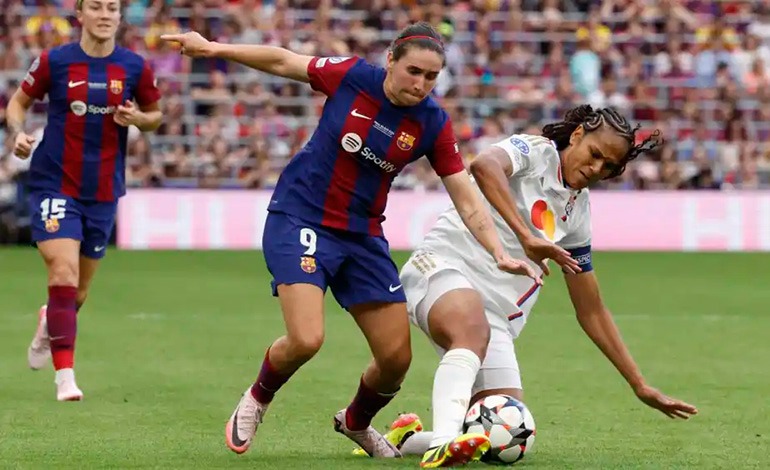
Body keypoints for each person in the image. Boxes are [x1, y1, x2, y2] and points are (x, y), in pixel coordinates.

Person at [161, 22, 560, 460]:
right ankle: (258, 396)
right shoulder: (351, 76)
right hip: (300, 217)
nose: (421, 84)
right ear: (390, 60)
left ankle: (355, 421)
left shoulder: (432, 122)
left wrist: (500, 252)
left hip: (362, 236)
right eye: (413, 71)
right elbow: (282, 60)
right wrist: (213, 48)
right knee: (306, 339)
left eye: (431, 77)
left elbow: (466, 197)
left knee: (395, 360)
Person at [353, 105, 699, 467]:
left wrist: (639, 384)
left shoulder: (577, 213)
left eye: (608, 166)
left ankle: (407, 439)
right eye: (595, 154)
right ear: (577, 136)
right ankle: (442, 443)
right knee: (471, 331)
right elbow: (484, 165)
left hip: (494, 315)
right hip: (442, 267)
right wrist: (526, 236)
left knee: (502, 434)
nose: (597, 168)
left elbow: (591, 310)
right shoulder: (535, 152)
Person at [9, 0, 162, 401]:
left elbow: (155, 115)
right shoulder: (55, 61)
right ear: (80, 15)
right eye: (96, 7)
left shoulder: (134, 67)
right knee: (63, 273)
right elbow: (18, 102)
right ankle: (65, 377)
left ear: (119, 16)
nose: (105, 14)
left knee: (76, 293)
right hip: (54, 183)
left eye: (112, 8)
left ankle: (50, 319)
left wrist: (138, 119)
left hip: (103, 189)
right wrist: (17, 133)